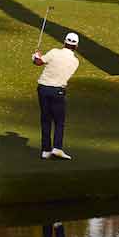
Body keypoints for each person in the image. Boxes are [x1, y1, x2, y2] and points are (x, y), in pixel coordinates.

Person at [33, 31, 80, 160]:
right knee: (59, 121)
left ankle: (46, 150)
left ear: (64, 42)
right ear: (76, 46)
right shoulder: (75, 62)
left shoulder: (54, 52)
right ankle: (57, 148)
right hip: (58, 91)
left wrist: (35, 57)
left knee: (45, 119)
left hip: (43, 89)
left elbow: (38, 62)